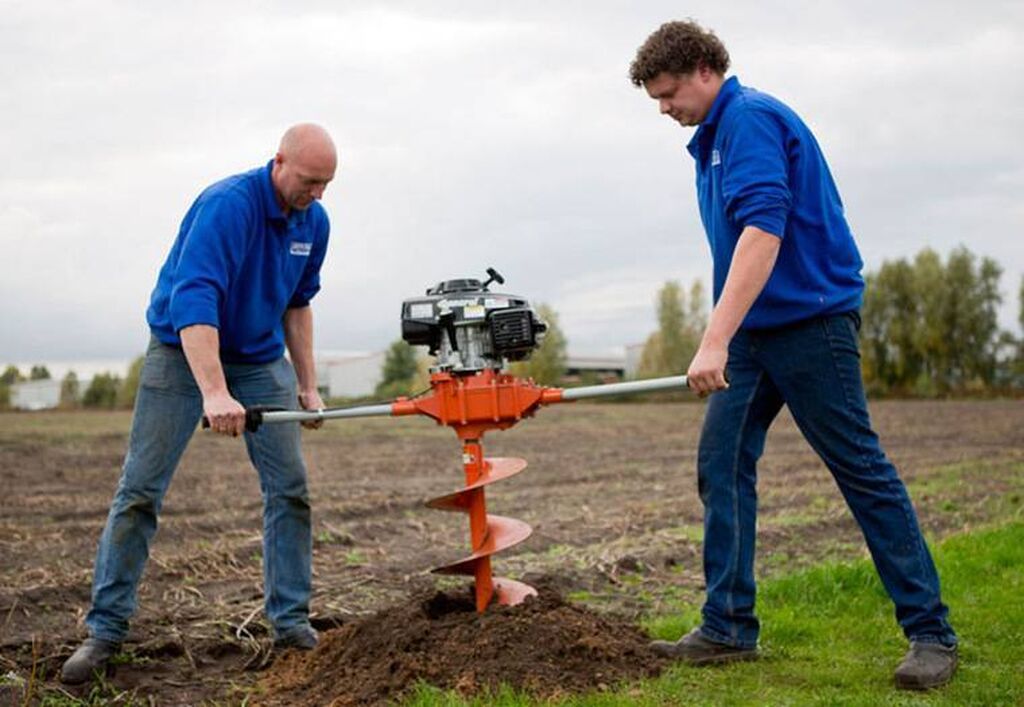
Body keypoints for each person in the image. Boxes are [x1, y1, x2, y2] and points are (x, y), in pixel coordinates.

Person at [629, 21, 958, 690]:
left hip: (811, 325)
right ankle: (726, 625)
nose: (663, 108)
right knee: (720, 463)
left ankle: (932, 633)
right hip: (755, 332)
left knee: (860, 469)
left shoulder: (747, 120)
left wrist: (712, 337)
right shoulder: (714, 139)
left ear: (701, 69)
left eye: (667, 93)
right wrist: (729, 330)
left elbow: (763, 232)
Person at [61, 124, 337, 684]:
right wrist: (214, 390)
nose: (317, 195)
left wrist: (307, 385)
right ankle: (105, 630)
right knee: (140, 491)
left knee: (290, 491)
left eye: (327, 184)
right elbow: (195, 298)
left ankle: (291, 624)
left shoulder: (315, 222)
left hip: (260, 361)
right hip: (181, 351)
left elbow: (298, 305)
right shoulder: (226, 206)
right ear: (278, 162)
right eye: (309, 181)